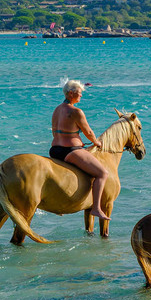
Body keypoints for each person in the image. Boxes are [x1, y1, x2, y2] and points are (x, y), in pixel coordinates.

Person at [50, 80, 109, 225]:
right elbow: (88, 131)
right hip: (70, 150)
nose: (81, 95)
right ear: (71, 93)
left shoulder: (57, 109)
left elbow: (54, 130)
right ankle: (95, 208)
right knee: (102, 173)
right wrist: (96, 142)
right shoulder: (76, 112)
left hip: (55, 149)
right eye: (79, 92)